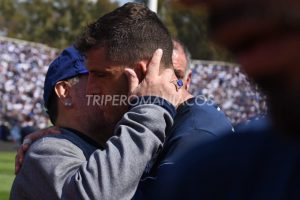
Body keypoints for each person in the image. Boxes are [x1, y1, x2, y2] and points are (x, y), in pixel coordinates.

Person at [151, 0, 300, 199]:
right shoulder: (215, 172)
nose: (254, 67)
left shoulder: (201, 135)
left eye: (280, 33)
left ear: (187, 80)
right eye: (239, 47)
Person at [10, 41, 179, 200]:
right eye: (98, 75)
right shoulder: (45, 151)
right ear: (65, 92)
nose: (122, 87)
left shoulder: (110, 146)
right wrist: (151, 109)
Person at [133, 39, 234, 199]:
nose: (169, 83)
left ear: (187, 81)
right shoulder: (163, 116)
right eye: (161, 72)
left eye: (177, 75)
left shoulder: (198, 130)